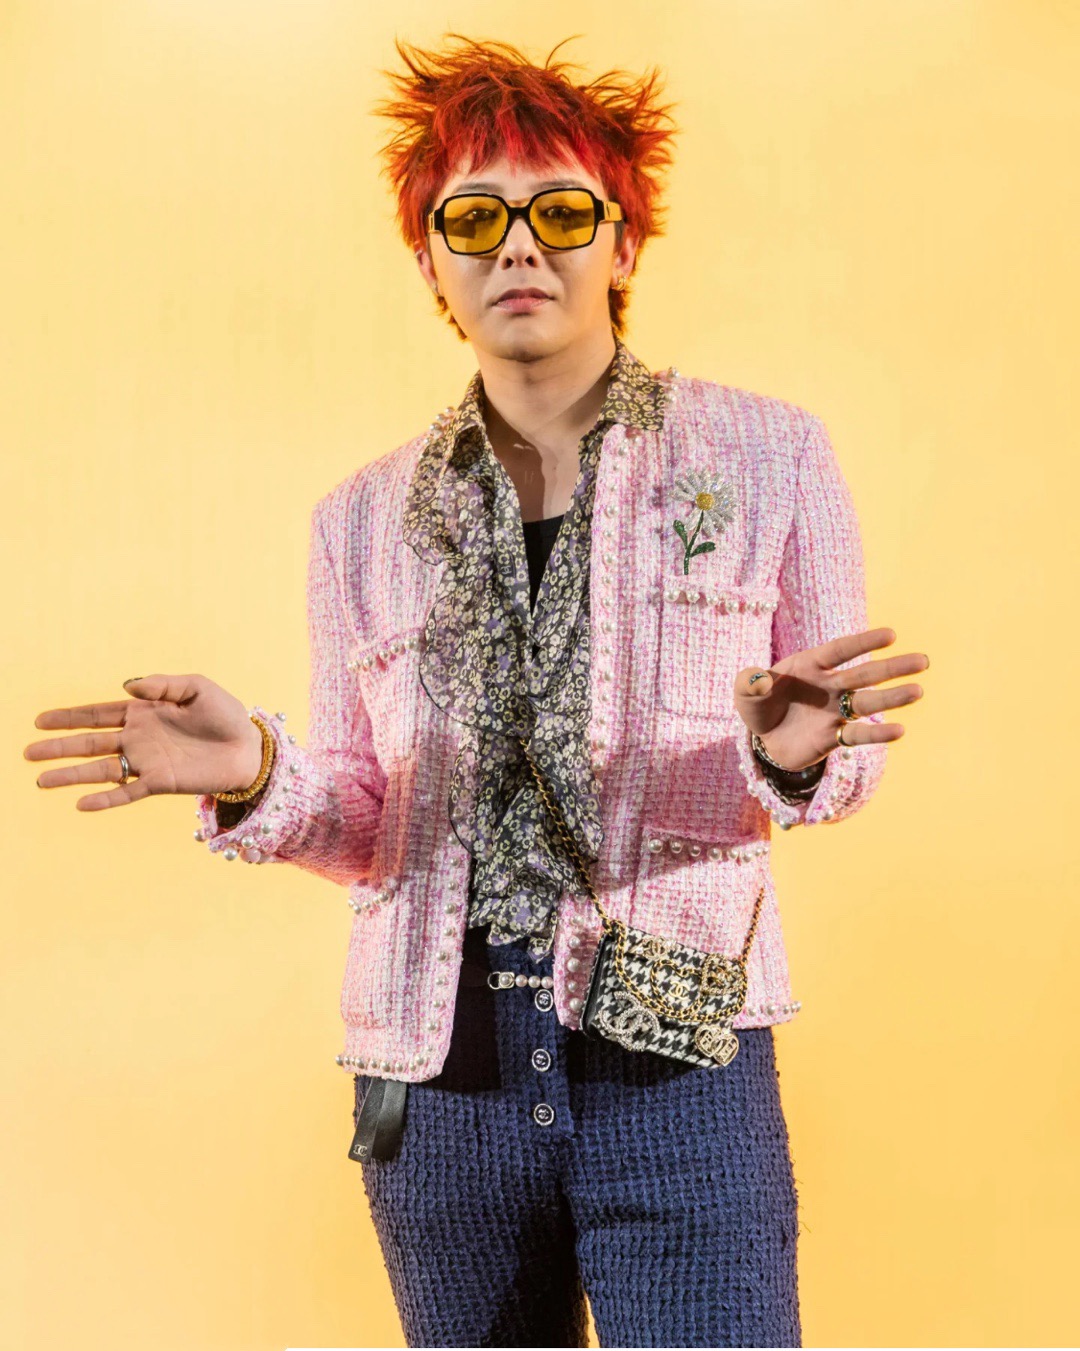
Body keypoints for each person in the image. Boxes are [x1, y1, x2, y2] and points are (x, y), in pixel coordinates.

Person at [24, 33, 929, 1350]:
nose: (520, 248)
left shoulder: (770, 456)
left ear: (623, 243)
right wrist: (259, 775)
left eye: (562, 213)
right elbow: (367, 821)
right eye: (475, 218)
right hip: (438, 1077)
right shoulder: (360, 521)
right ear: (431, 262)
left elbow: (845, 763)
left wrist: (793, 755)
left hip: (679, 1055)